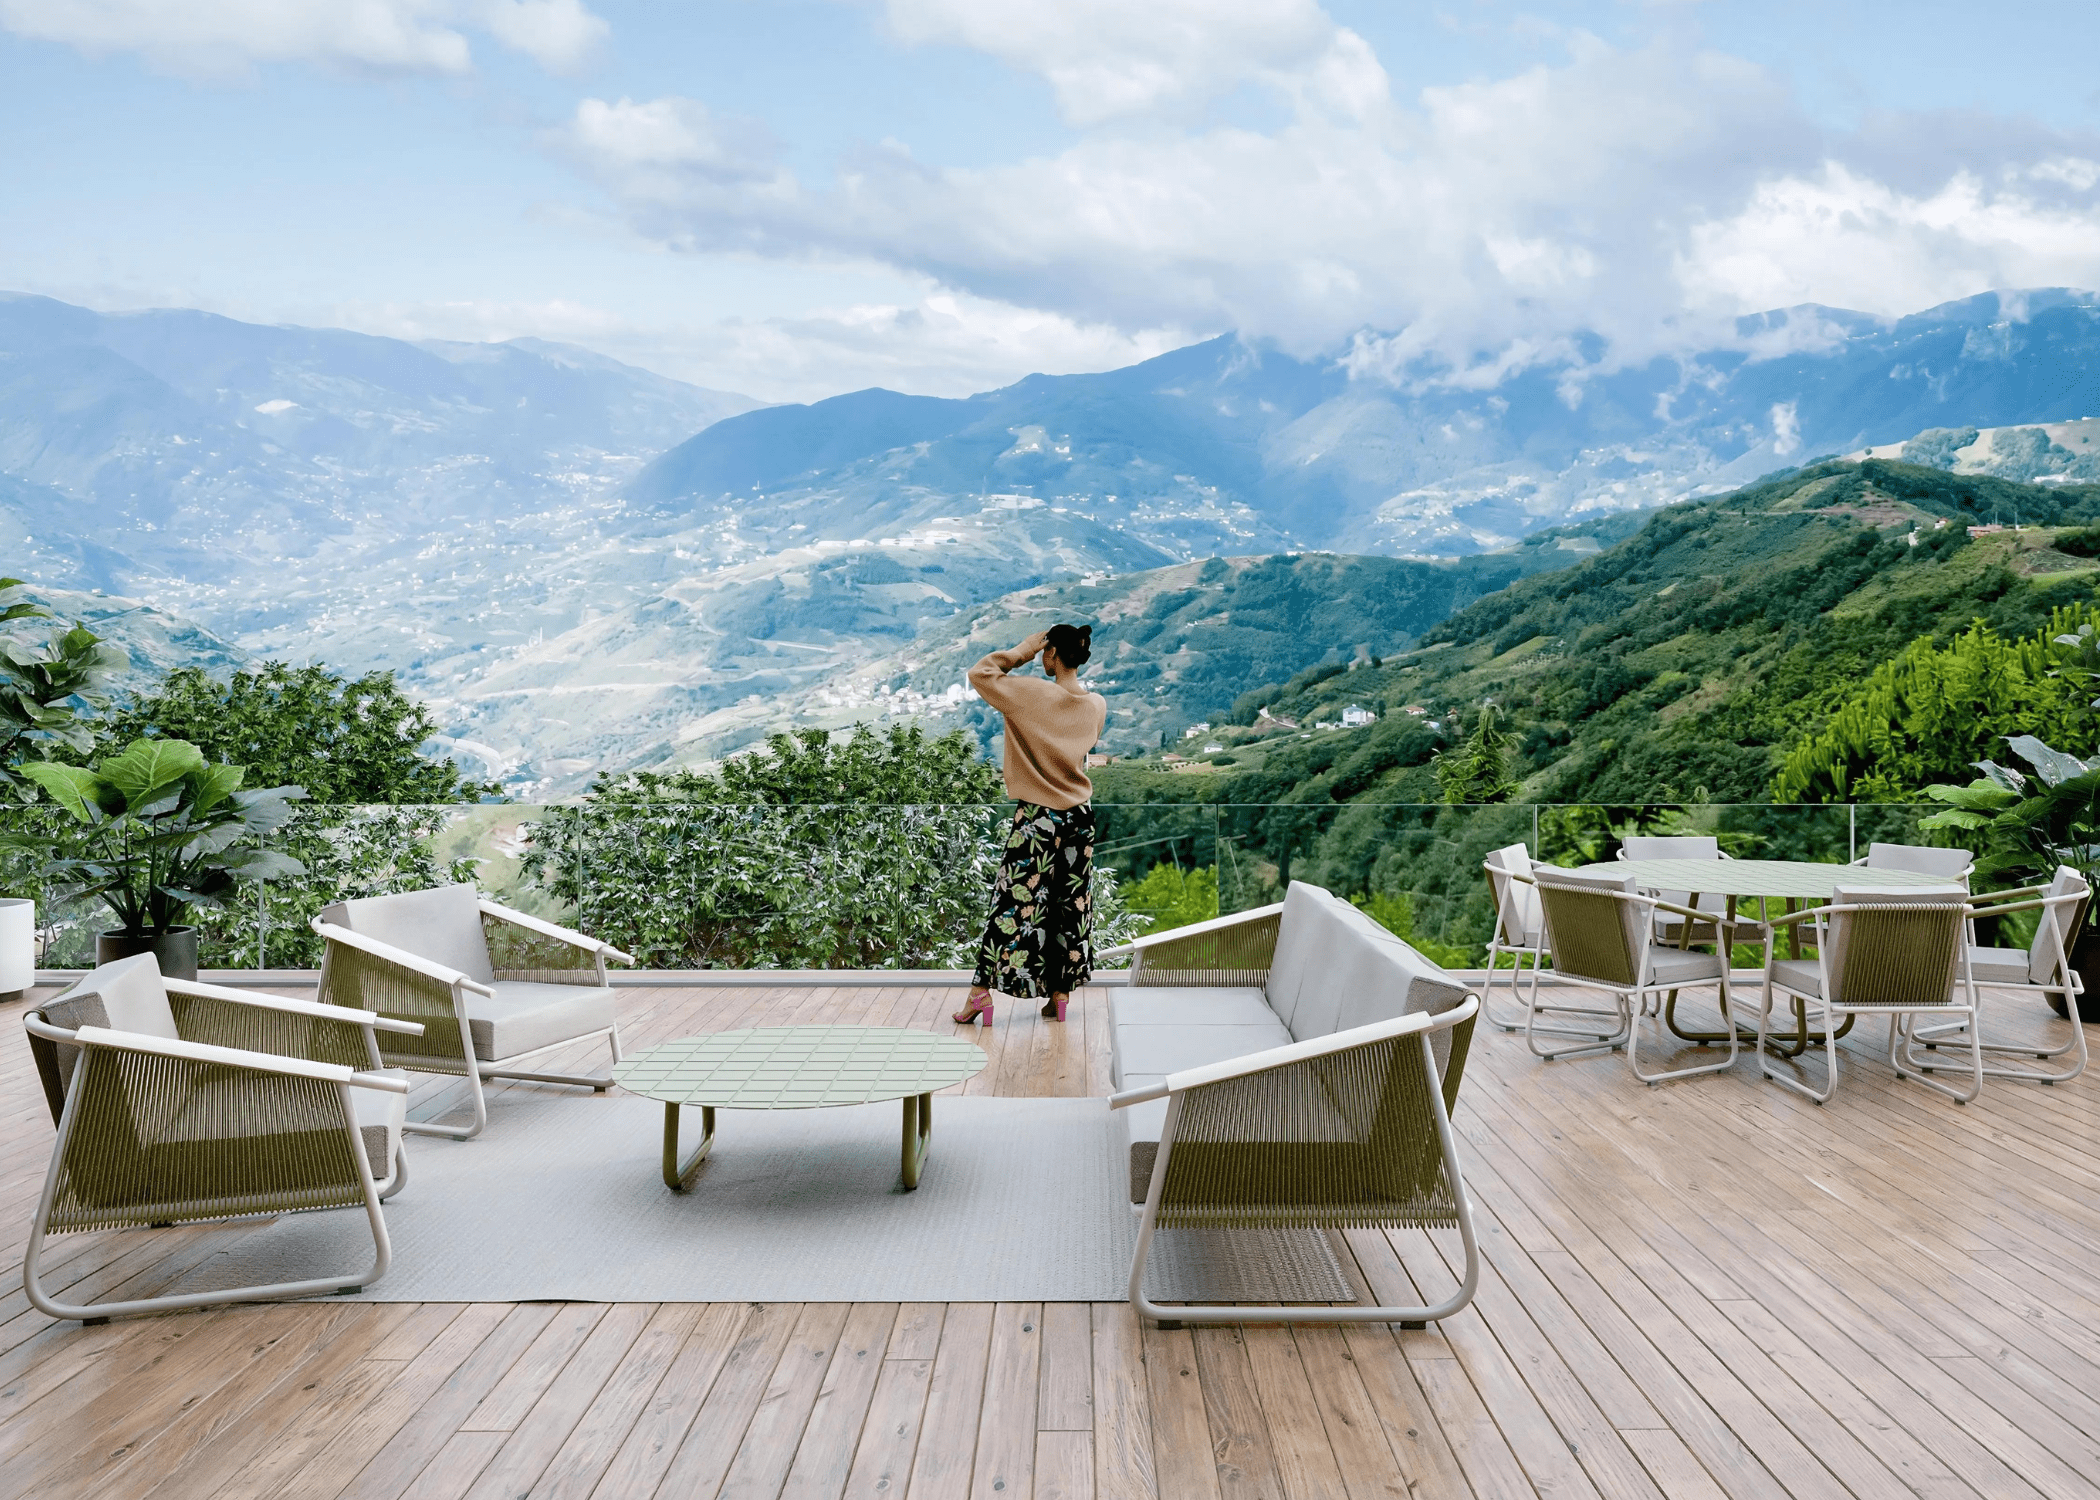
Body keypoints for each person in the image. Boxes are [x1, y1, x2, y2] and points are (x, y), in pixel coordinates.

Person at [952, 622, 1107, 1027]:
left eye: (1045, 651)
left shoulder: (1030, 694)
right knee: (1070, 907)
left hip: (1038, 819)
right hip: (1080, 817)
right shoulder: (1097, 705)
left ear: (1051, 653)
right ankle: (1060, 993)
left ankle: (980, 993)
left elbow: (981, 674)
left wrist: (1022, 650)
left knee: (1014, 906)